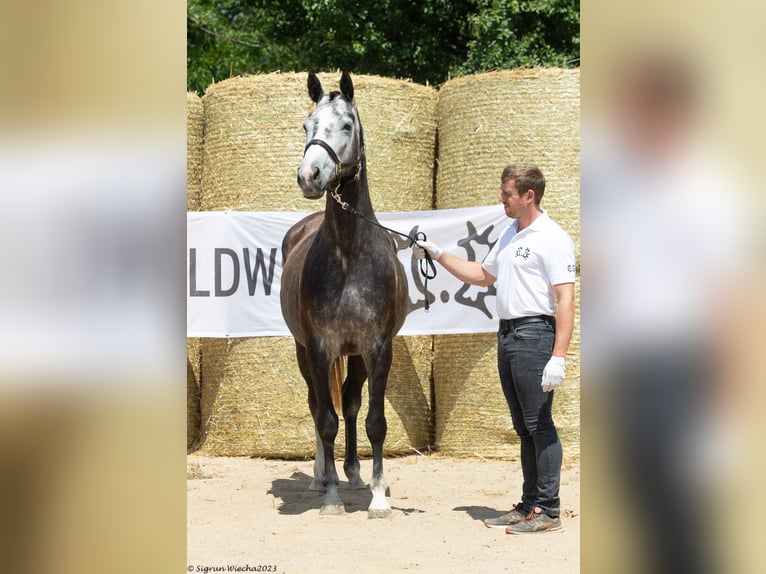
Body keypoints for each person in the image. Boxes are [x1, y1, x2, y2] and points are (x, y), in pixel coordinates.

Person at [416, 163, 575, 534]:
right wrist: (439, 254)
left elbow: (565, 299)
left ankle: (549, 510)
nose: (501, 199)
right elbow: (483, 276)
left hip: (534, 334)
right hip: (507, 335)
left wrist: (558, 357)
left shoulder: (551, 237)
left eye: (507, 193)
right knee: (524, 426)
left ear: (528, 196)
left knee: (539, 424)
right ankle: (530, 503)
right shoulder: (509, 233)